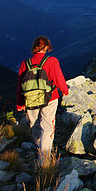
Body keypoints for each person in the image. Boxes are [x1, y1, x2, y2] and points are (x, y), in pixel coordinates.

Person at [16, 35, 69, 169]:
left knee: (34, 125)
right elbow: (58, 79)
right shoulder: (52, 61)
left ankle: (40, 146)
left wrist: (20, 103)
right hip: (49, 98)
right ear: (46, 47)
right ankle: (44, 161)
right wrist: (65, 91)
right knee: (47, 126)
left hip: (30, 99)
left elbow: (20, 85)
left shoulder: (25, 63)